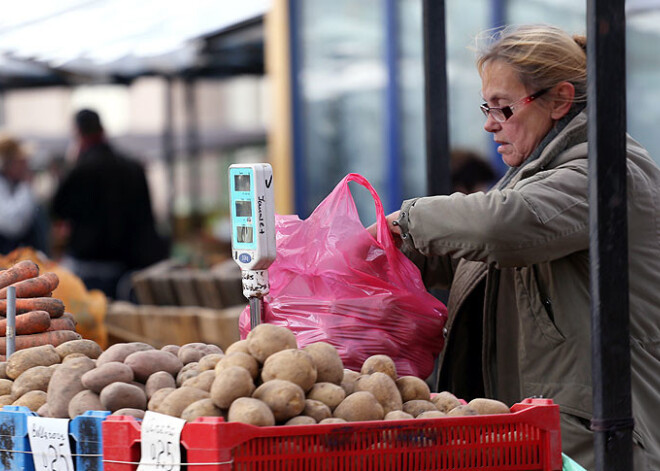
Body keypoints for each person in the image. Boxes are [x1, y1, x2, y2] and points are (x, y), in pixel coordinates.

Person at [370, 25, 659, 470]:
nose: (489, 123)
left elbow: (503, 225)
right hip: (541, 439)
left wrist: (403, 224)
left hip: (598, 444)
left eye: (502, 108)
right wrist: (376, 257)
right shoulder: (531, 178)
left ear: (560, 100)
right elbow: (478, 255)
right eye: (487, 107)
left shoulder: (608, 173)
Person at [52, 109, 168, 298]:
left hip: (90, 269)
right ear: (102, 130)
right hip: (129, 267)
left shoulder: (80, 171)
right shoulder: (132, 167)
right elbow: (147, 217)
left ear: (79, 134)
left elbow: (58, 209)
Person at [0, 134, 49, 254]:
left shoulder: (14, 185)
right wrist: (26, 186)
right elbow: (13, 225)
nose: (25, 165)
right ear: (7, 163)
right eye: (20, 161)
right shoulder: (8, 185)